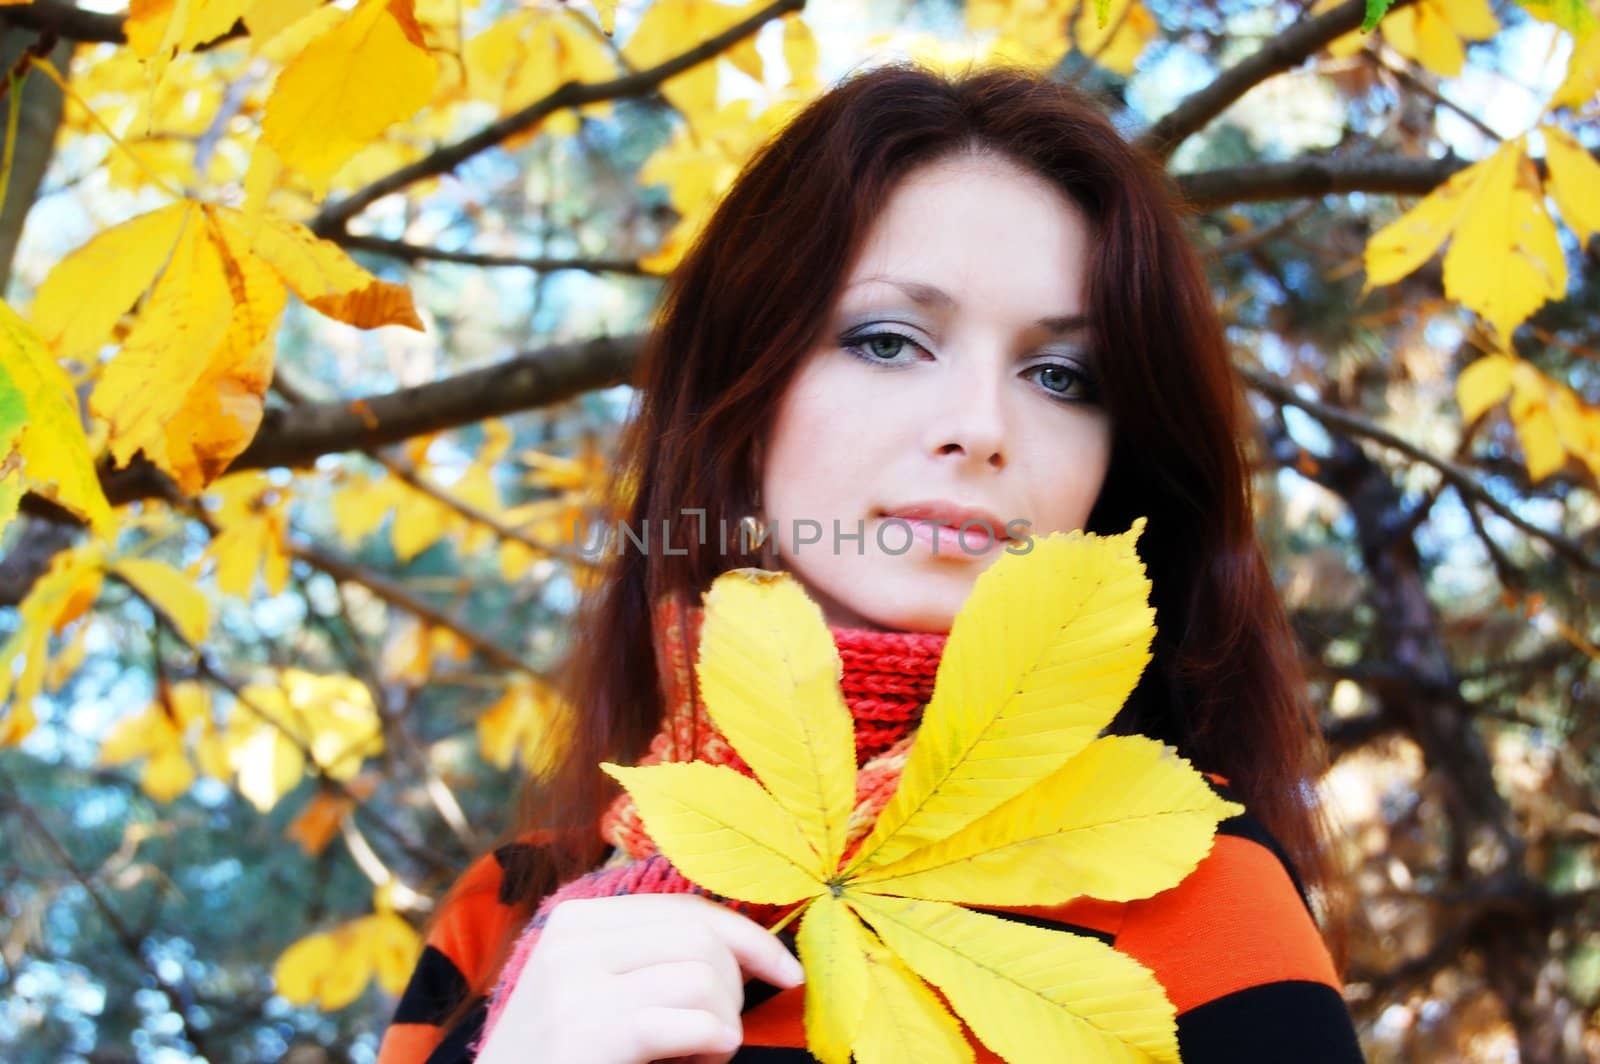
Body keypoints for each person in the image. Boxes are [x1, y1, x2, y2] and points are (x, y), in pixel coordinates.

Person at [376, 59, 1366, 1064]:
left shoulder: (1187, 866)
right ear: (745, 394)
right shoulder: (503, 907)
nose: (980, 427)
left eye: (1062, 375)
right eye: (889, 341)